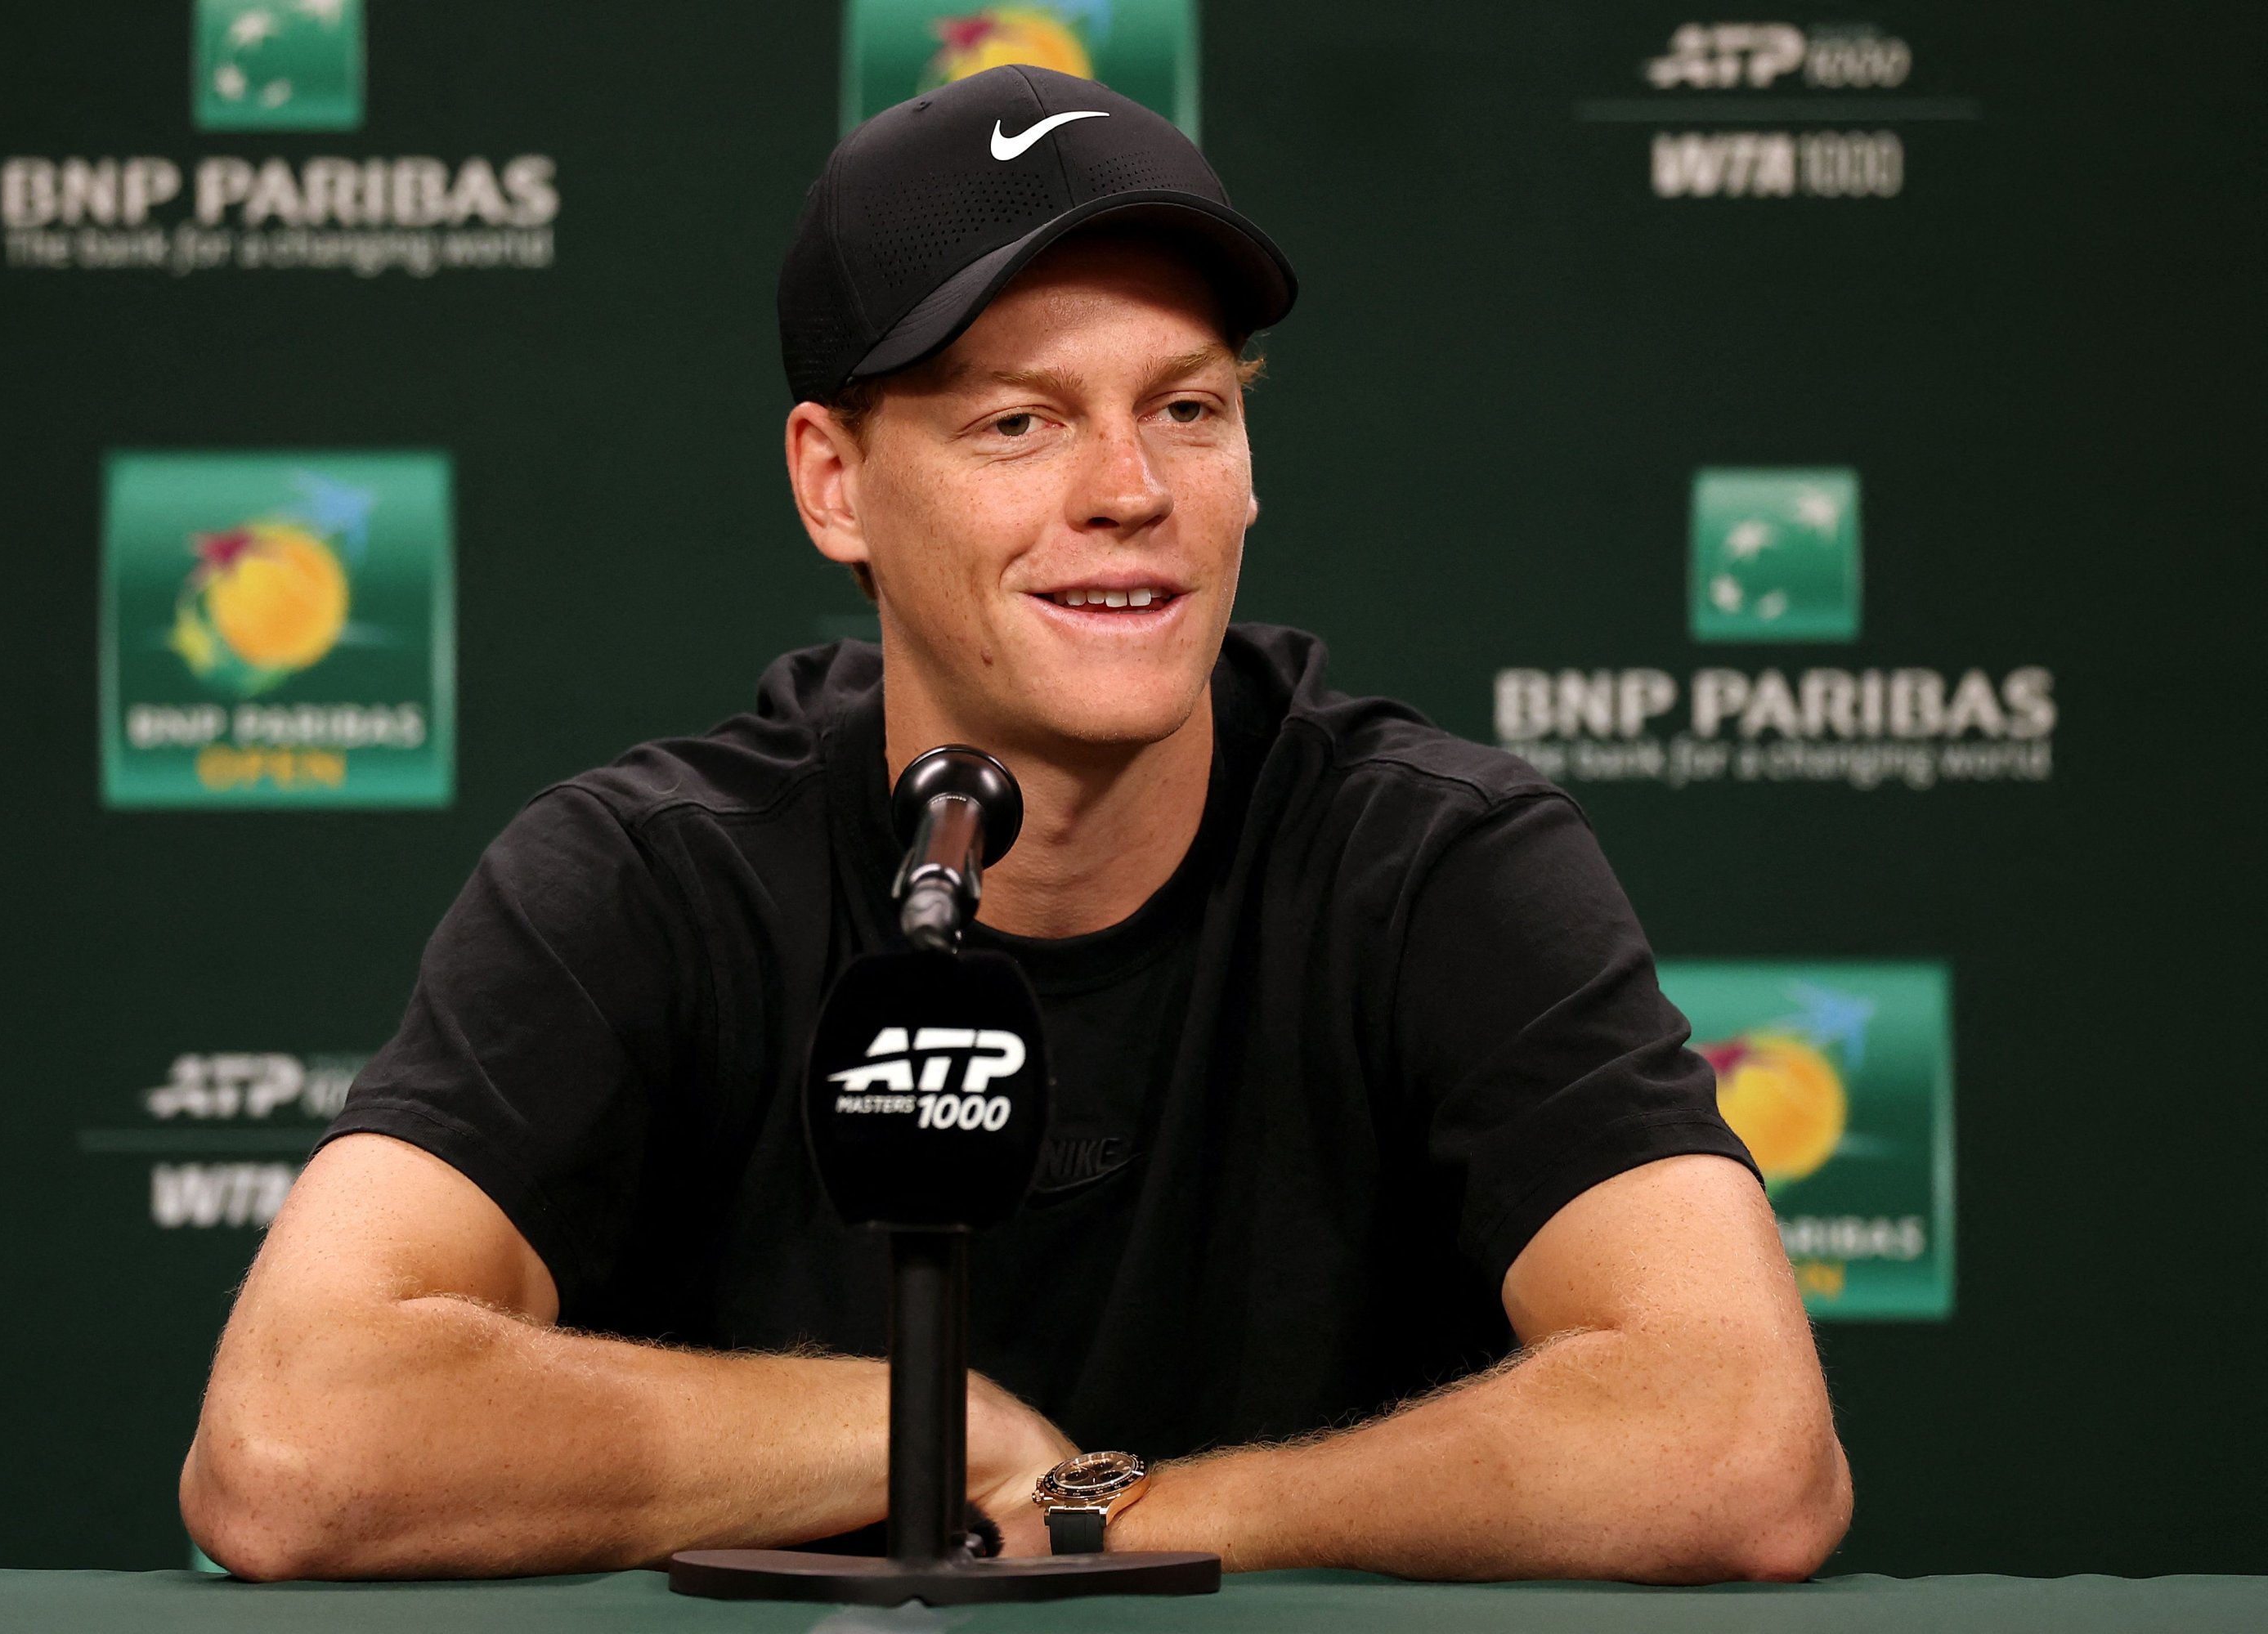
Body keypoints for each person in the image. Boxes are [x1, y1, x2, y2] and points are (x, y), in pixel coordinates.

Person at [181, 65, 1850, 1583]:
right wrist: (935, 1428)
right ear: (835, 481)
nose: (1130, 487)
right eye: (1019, 421)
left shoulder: (1435, 862)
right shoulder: (646, 877)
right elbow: (294, 1448)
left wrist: (1134, 1514)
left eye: (1188, 406)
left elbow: (1739, 1446)